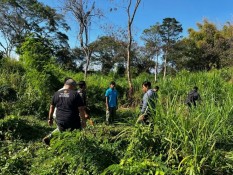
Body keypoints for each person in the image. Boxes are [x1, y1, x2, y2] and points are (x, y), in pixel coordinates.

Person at [43, 78, 86, 145]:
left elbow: (51, 107)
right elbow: (81, 109)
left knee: (61, 128)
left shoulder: (56, 93)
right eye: (75, 87)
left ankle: (50, 137)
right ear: (73, 86)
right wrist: (83, 120)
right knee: (77, 132)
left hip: (59, 119)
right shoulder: (75, 94)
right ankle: (76, 146)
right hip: (72, 120)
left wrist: (50, 119)